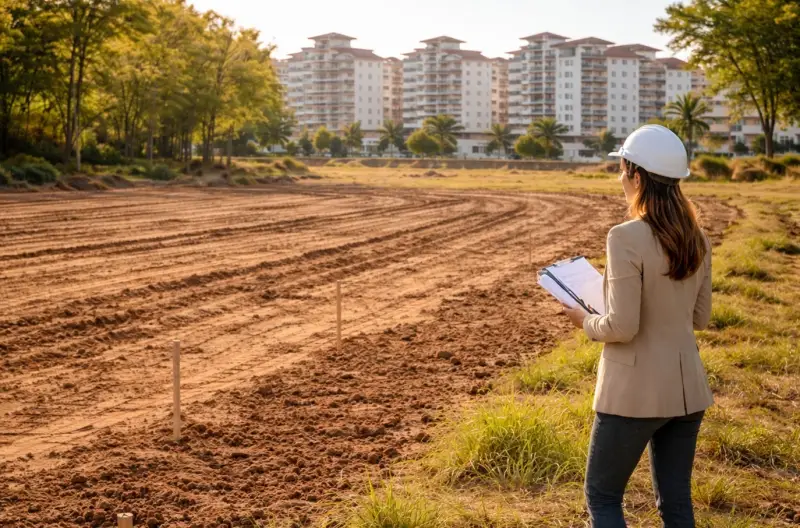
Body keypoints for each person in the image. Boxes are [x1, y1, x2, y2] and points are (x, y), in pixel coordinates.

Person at [562, 124, 714, 528]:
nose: (620, 177)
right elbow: (700, 318)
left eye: (622, 168)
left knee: (603, 495)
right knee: (676, 501)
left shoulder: (624, 237)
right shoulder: (697, 237)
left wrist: (585, 320)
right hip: (687, 392)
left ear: (637, 175)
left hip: (633, 394)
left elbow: (622, 326)